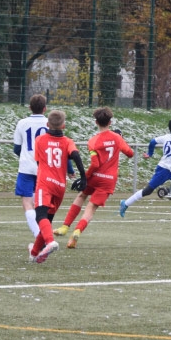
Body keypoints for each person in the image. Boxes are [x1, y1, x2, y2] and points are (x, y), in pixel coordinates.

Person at [53, 107, 133, 249]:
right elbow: (130, 153)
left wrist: (85, 177)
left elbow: (95, 164)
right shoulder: (117, 138)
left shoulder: (93, 141)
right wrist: (120, 141)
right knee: (91, 208)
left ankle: (65, 227)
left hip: (95, 176)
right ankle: (77, 232)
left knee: (81, 196)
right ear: (110, 122)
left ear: (96, 122)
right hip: (108, 180)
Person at [28, 110, 85, 264]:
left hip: (45, 184)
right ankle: (34, 253)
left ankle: (50, 242)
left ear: (47, 124)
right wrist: (83, 177)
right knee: (47, 221)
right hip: (59, 186)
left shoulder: (40, 140)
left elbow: (39, 162)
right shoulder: (67, 141)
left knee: (40, 217)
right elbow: (76, 155)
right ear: (63, 126)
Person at [119, 119, 171, 217]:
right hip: (164, 169)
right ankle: (126, 203)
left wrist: (150, 153)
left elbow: (152, 142)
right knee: (148, 191)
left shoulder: (166, 137)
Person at [13, 94, 48, 238]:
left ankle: (38, 234)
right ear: (45, 108)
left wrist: (25, 156)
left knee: (27, 202)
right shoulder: (49, 122)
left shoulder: (22, 123)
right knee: (41, 202)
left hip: (26, 167)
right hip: (45, 168)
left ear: (29, 108)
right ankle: (43, 232)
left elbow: (17, 148)